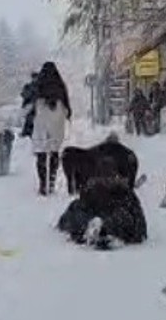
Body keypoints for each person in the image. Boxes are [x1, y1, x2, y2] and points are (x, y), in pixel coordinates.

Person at [56, 156, 147, 250]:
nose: (106, 180)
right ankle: (98, 230)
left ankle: (100, 230)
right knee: (79, 210)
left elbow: (136, 216)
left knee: (120, 216)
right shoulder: (92, 189)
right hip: (99, 220)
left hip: (111, 222)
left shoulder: (123, 190)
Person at [30, 62, 72, 195]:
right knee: (54, 151)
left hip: (42, 117)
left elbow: (31, 101)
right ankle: (52, 181)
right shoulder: (60, 85)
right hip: (57, 118)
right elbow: (66, 104)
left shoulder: (39, 84)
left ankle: (43, 184)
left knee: (41, 152)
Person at [20, 71, 38, 139]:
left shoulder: (41, 86)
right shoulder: (28, 86)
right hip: (30, 106)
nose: (35, 79)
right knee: (29, 119)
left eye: (36, 77)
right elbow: (24, 94)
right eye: (34, 77)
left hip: (37, 106)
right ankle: (26, 133)